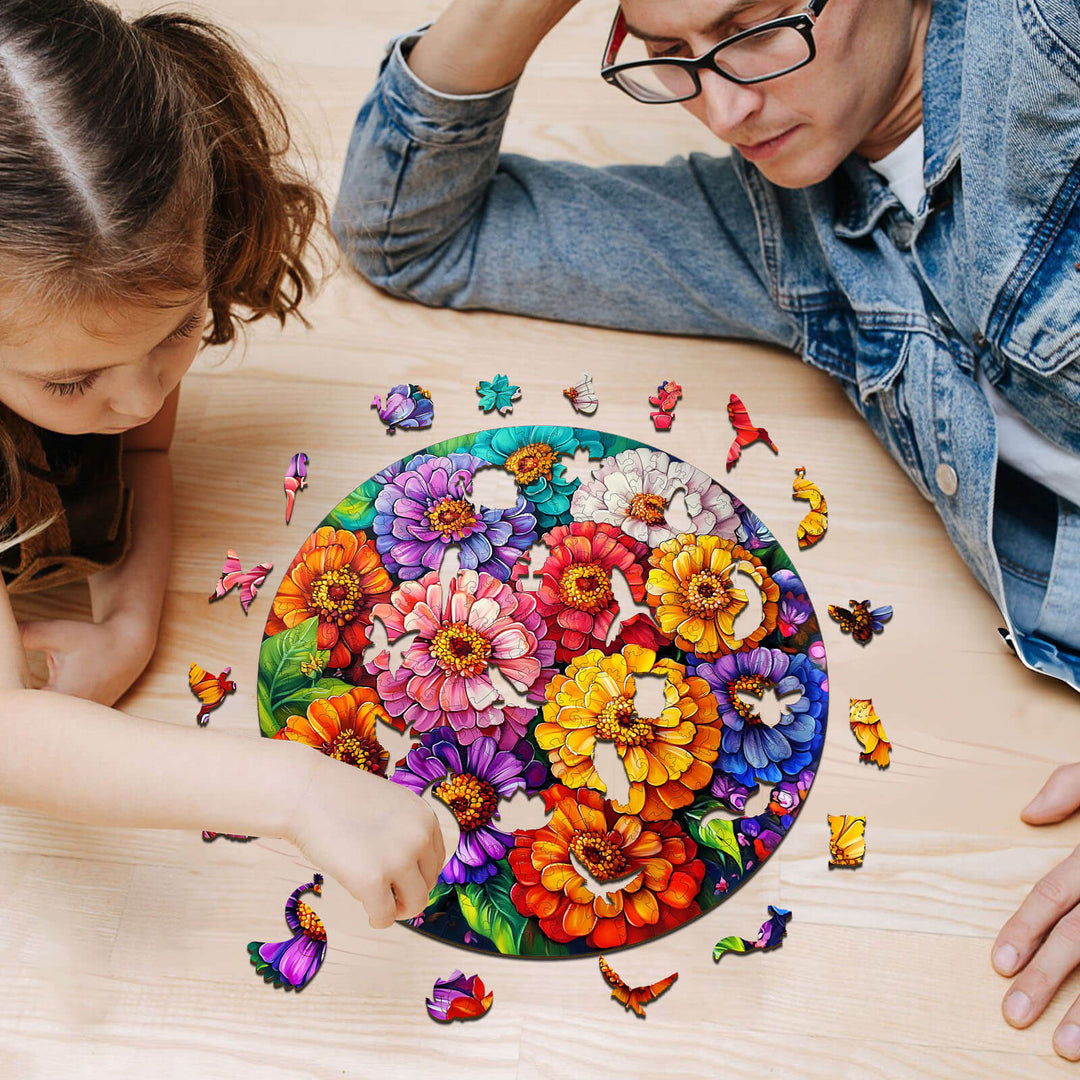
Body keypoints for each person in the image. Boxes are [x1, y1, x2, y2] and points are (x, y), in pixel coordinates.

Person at [331, 0, 1080, 1056]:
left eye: (754, 24)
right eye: (669, 53)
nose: (723, 107)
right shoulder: (779, 217)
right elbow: (407, 233)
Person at [0, 0, 444, 931]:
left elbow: (147, 444)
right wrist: (293, 790)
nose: (135, 398)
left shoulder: (114, 344)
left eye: (177, 331)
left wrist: (127, 621)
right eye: (73, 382)